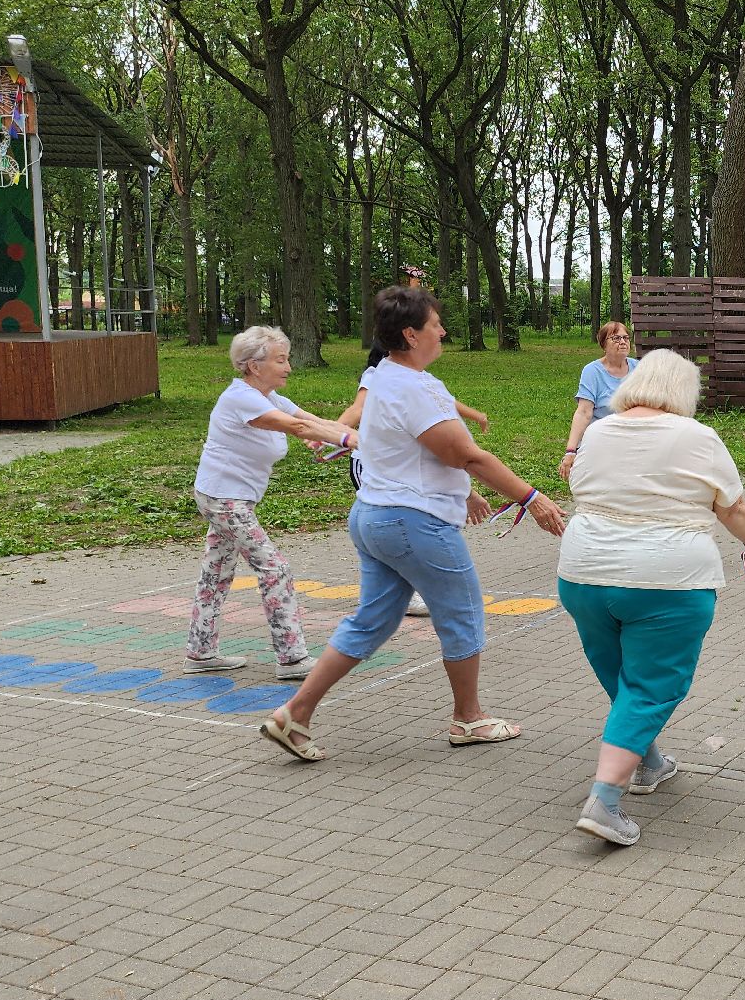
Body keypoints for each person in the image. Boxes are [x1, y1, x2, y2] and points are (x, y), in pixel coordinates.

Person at [261, 287, 566, 762]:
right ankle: (468, 718)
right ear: (410, 333)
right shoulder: (414, 387)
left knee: (371, 621)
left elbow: (411, 448)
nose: (443, 331)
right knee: (463, 612)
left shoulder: (384, 375)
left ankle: (293, 715)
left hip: (374, 516)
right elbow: (465, 454)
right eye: (435, 324)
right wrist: (533, 499)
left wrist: (463, 491)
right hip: (412, 523)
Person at [560, 349, 745, 846]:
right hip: (667, 579)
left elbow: (582, 486)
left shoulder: (597, 431)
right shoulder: (697, 437)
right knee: (652, 684)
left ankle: (648, 764)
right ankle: (604, 801)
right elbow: (734, 506)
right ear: (683, 390)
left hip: (584, 574)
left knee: (623, 677)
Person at [187, 327, 357, 679]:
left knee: (216, 571)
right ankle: (292, 659)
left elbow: (309, 421)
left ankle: (200, 653)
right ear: (252, 365)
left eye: (287, 358)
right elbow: (296, 428)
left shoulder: (266, 396)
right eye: (280, 360)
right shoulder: (241, 398)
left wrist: (343, 434)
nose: (288, 367)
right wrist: (347, 439)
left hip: (227, 498)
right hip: (223, 499)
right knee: (275, 569)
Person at [336, 347, 491, 618]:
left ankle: (389, 594)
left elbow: (445, 402)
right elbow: (357, 408)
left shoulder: (418, 378)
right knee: (395, 521)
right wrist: (333, 433)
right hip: (372, 465)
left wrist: (474, 414)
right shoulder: (377, 376)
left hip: (402, 467)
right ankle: (400, 593)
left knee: (399, 523)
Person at [559, 321, 639, 482]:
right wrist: (570, 450)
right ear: (603, 344)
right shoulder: (592, 371)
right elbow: (583, 412)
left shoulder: (639, 368)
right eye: (616, 338)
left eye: (625, 338)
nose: (623, 342)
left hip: (633, 438)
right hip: (602, 438)